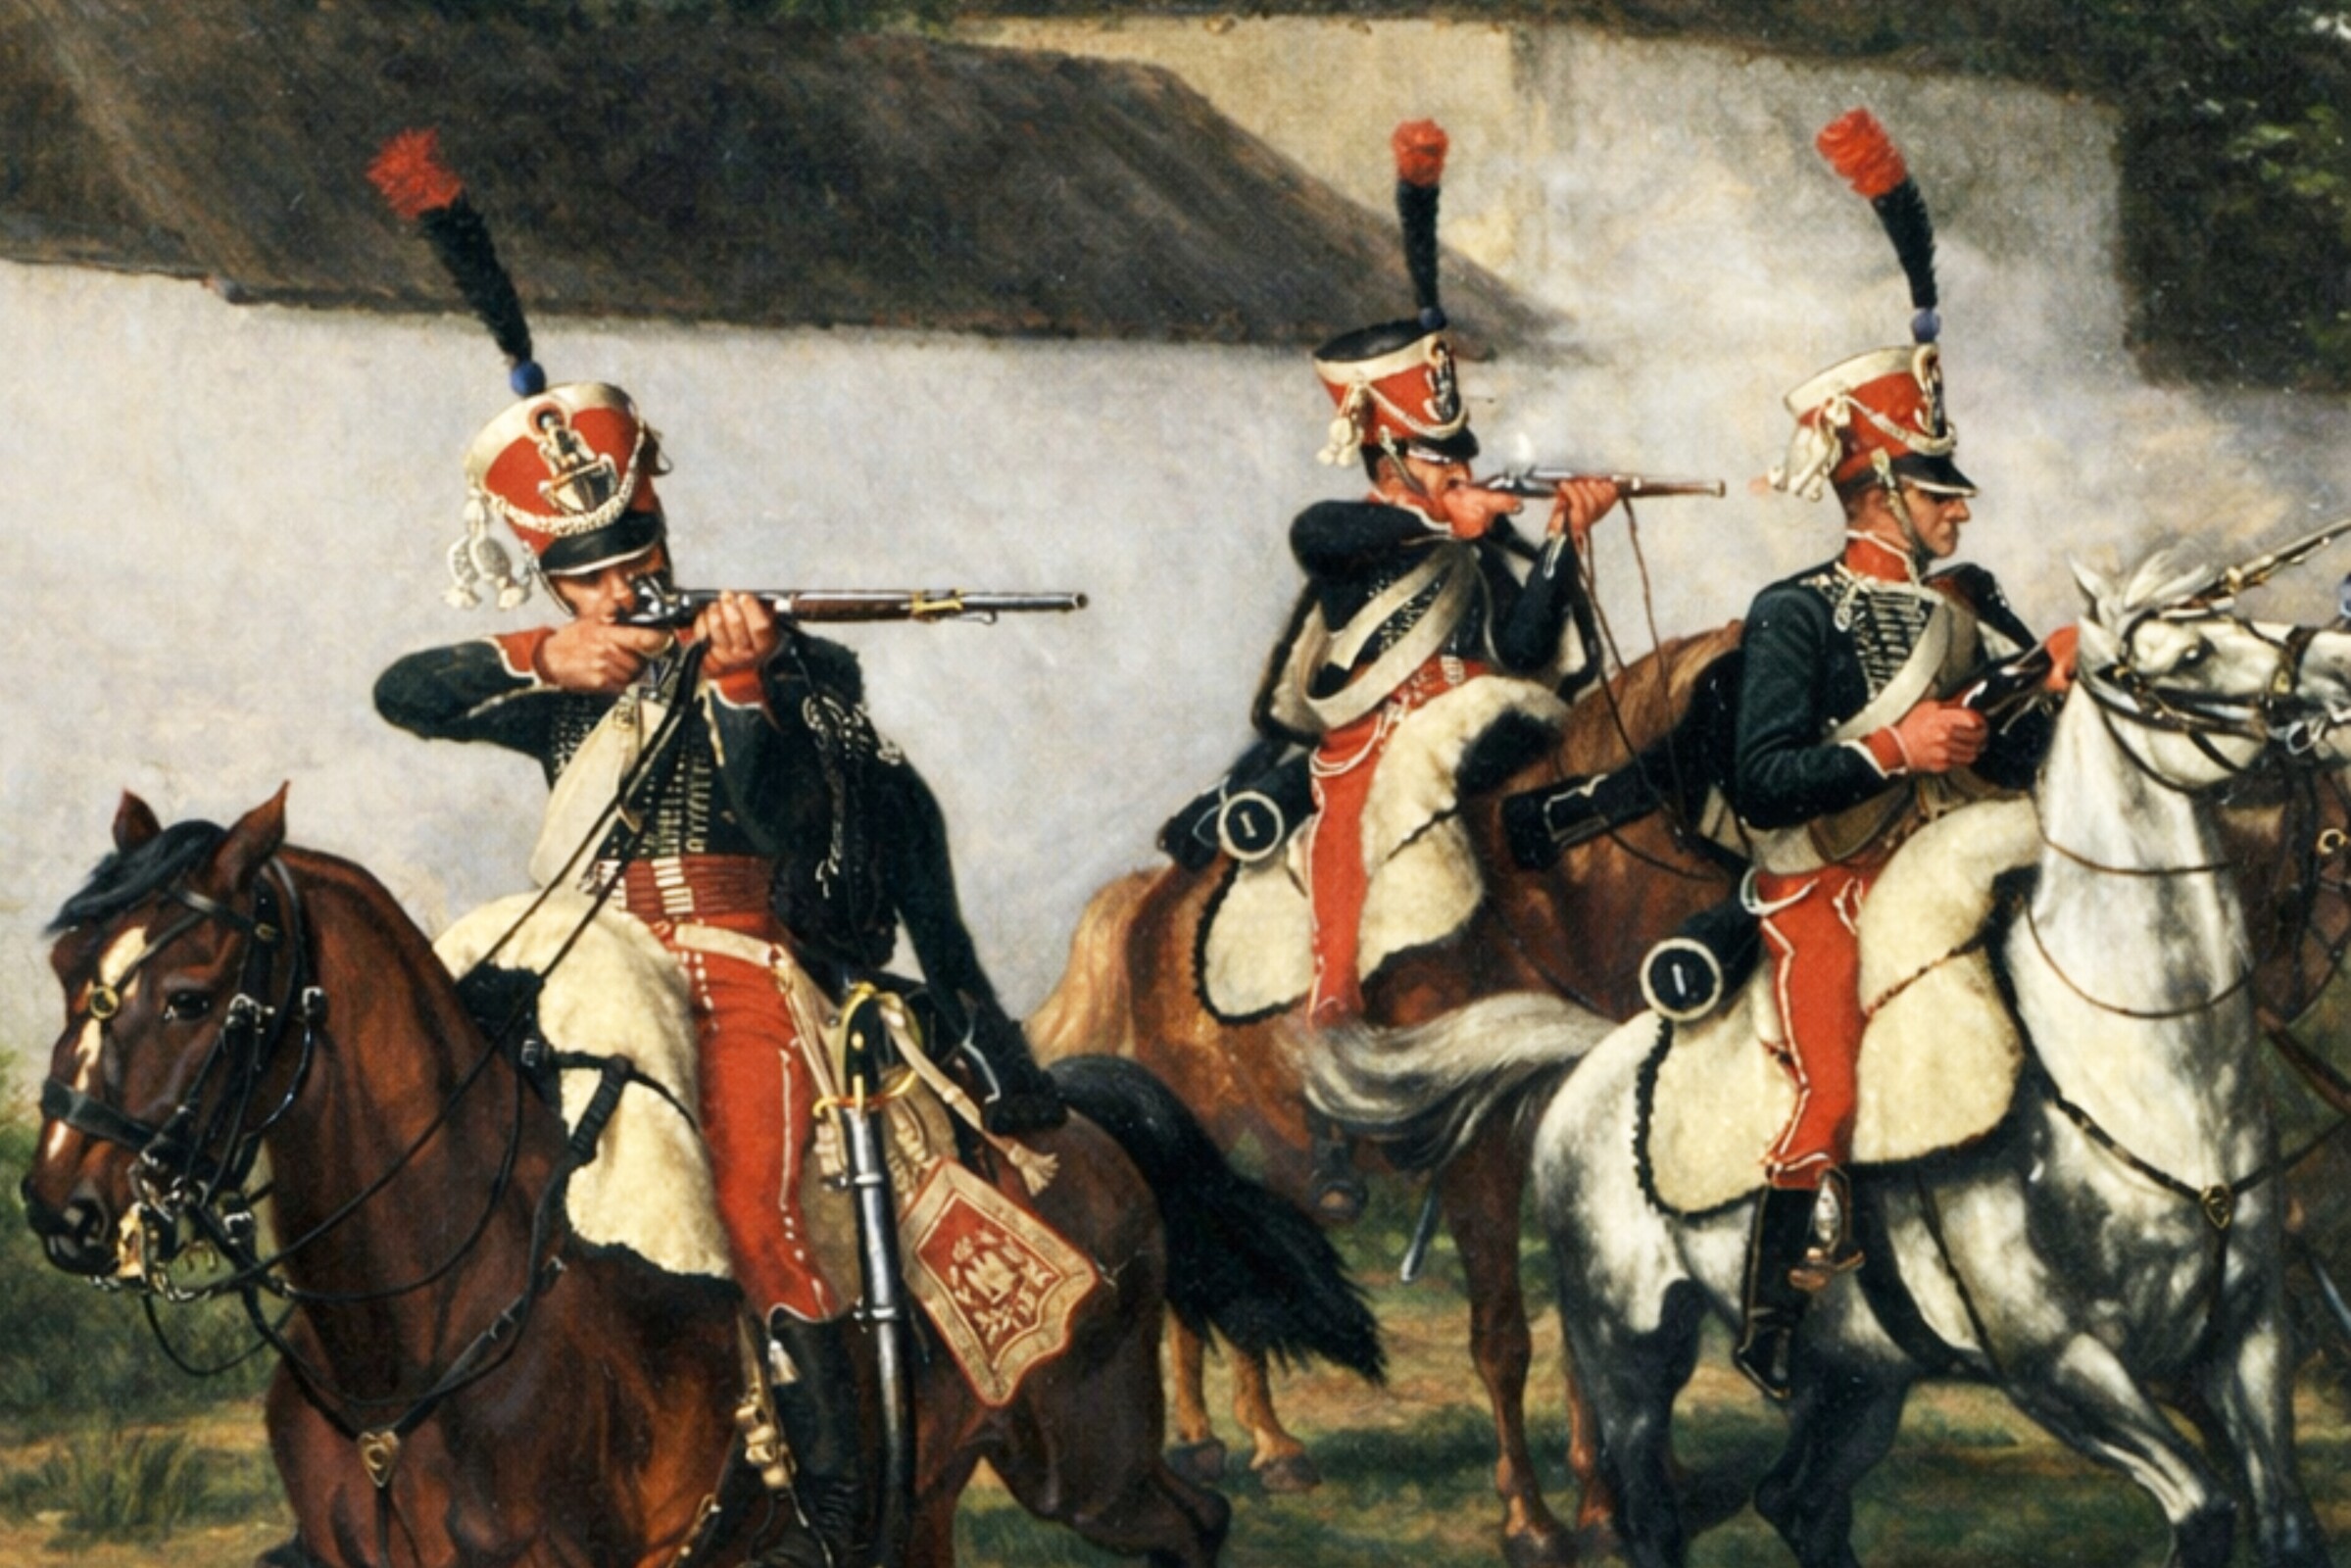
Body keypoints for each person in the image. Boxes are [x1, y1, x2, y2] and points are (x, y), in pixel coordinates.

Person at [366, 129, 1062, 1551]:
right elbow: (404, 691)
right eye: (590, 580)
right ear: (557, 585)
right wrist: (545, 657)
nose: (625, 588)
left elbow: (788, 823)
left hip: (740, 964)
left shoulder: (795, 667)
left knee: (749, 1200)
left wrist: (740, 689)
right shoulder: (566, 676)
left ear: (665, 539)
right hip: (585, 955)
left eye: (637, 561)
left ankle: (828, 1503)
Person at [1159, 120, 1620, 1214]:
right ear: (1383, 452)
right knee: (1342, 922)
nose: (1455, 469)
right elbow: (1321, 537)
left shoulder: (1473, 540)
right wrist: (1446, 522)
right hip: (1368, 753)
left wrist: (1563, 536)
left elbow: (1524, 651)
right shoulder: (1354, 533)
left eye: (1459, 457)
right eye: (1432, 456)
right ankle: (1330, 1111)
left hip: (1483, 732)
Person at [1726, 108, 2074, 1399]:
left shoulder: (1963, 609)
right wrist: (1891, 745)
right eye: (1938, 491)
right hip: (1823, 886)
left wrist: (2047, 682)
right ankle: (1770, 1314)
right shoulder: (1793, 614)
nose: (1959, 508)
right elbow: (1760, 779)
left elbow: (2008, 759)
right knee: (1827, 1095)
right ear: (1873, 487)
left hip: (1946, 872)